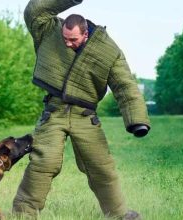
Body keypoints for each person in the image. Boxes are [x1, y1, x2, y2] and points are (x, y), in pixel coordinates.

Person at [12, 0, 150, 219]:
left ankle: (119, 214)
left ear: (85, 34)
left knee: (101, 167)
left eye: (73, 39)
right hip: (54, 111)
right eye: (65, 38)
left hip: (85, 116)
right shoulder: (49, 30)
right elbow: (34, 10)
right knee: (43, 162)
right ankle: (22, 214)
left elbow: (125, 86)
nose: (67, 43)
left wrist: (137, 120)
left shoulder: (108, 50)